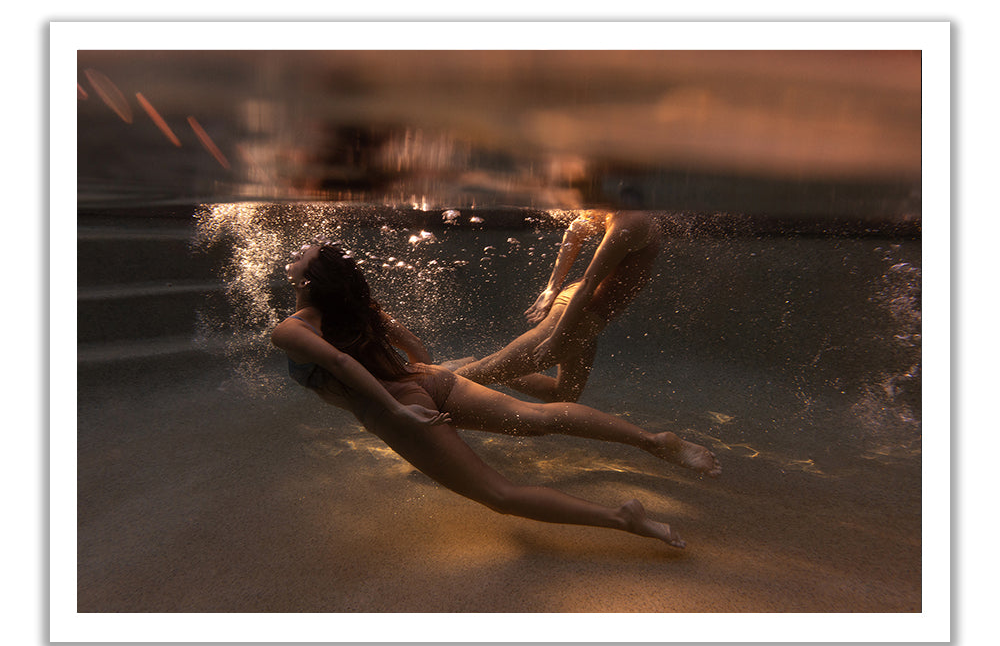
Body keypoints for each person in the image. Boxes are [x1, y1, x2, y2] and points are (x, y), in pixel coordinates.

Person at [270, 239, 721, 553]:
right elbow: (414, 345)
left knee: (500, 494)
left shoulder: (291, 329)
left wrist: (399, 411)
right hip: (426, 380)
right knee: (538, 418)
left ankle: (623, 519)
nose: (294, 255)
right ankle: (652, 440)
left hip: (398, 409)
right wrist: (419, 382)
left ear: (308, 281)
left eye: (301, 256)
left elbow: (342, 364)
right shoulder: (361, 310)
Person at [453, 206, 662, 402]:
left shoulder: (628, 218)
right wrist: (557, 331)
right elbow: (587, 280)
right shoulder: (627, 217)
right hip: (578, 314)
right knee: (490, 369)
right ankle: (438, 382)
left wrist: (557, 332)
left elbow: (576, 230)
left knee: (563, 396)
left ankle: (468, 367)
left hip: (584, 314)